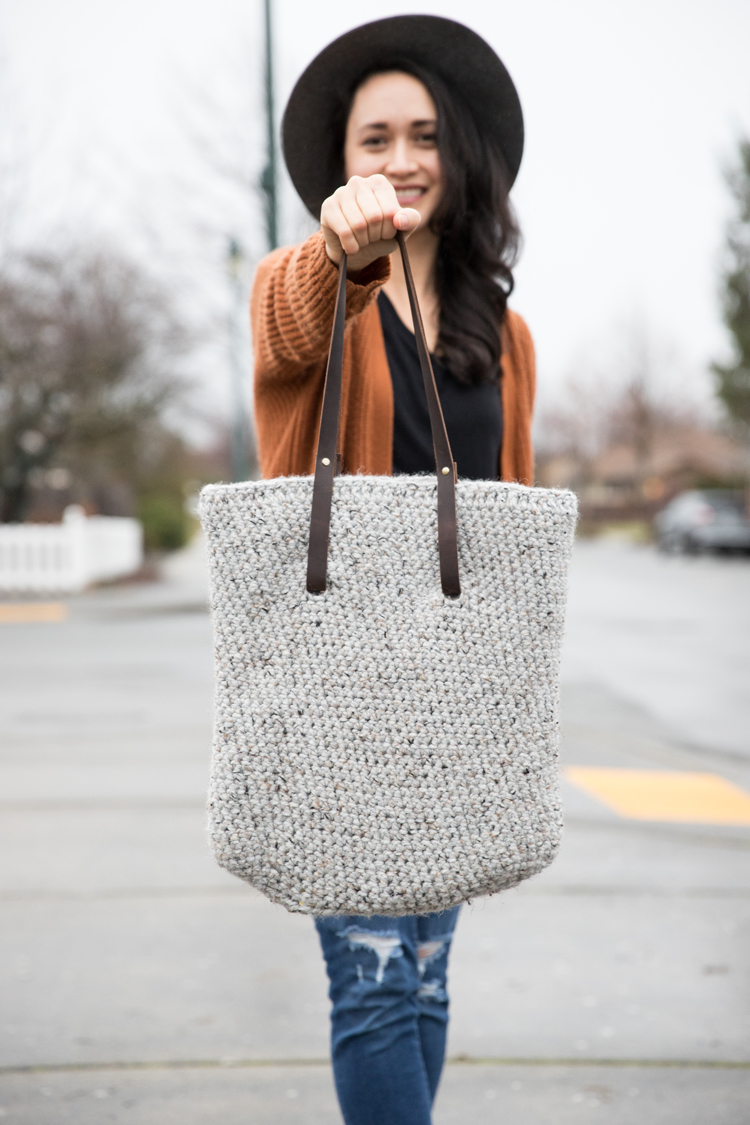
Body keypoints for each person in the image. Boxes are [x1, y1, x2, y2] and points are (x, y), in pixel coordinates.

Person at [250, 16, 535, 1125]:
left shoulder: (505, 336)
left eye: (423, 135)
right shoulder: (310, 290)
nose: (403, 158)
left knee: (426, 978)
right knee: (374, 987)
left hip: (459, 702)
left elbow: (512, 540)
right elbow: (291, 317)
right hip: (342, 699)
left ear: (459, 155)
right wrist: (340, 250)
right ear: (342, 166)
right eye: (375, 139)